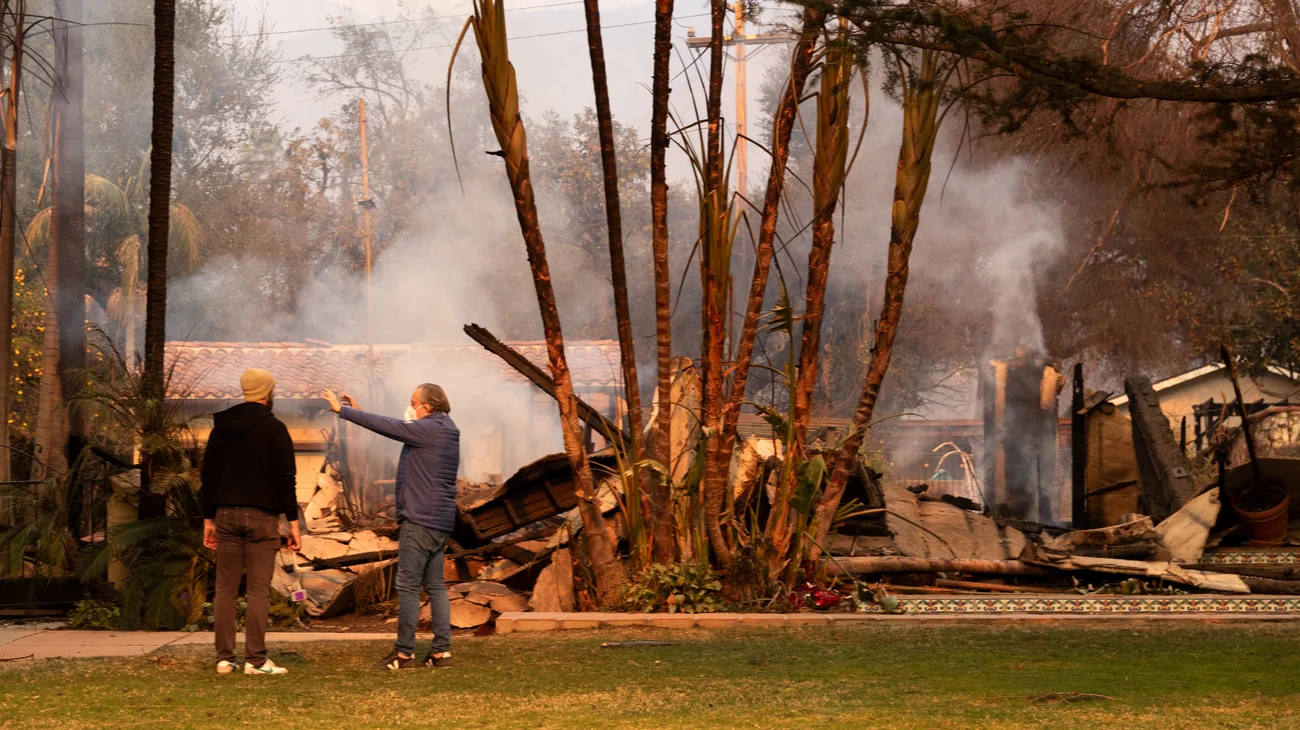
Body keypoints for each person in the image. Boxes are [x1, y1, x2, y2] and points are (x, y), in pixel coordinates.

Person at [322, 384, 460, 671]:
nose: (409, 407)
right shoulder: (444, 429)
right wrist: (359, 412)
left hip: (420, 519)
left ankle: (403, 654)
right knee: (435, 586)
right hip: (440, 521)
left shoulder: (430, 429)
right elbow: (392, 429)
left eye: (413, 402)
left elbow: (391, 426)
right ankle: (441, 653)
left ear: (428, 406)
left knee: (408, 585)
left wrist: (343, 411)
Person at [201, 368, 301, 676]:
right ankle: (256, 661)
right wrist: (293, 521)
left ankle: (223, 659)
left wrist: (207, 519)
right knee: (258, 591)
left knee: (225, 590)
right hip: (262, 518)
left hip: (225, 516)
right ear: (268, 393)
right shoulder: (275, 429)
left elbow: (207, 476)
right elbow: (285, 479)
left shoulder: (220, 430)